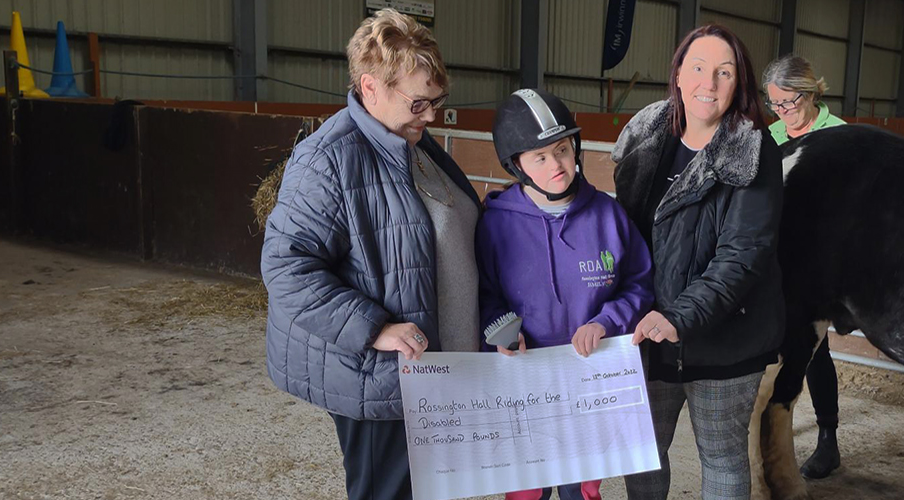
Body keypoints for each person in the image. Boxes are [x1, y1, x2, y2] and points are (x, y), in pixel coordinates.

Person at [260, 9, 480, 500]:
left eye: (437, 100)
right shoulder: (328, 159)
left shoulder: (410, 143)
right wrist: (374, 328)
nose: (432, 115)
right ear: (370, 86)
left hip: (436, 374)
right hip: (381, 383)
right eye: (419, 102)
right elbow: (285, 267)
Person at [613, 24, 786, 500]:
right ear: (678, 74)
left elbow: (744, 255)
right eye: (698, 68)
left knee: (723, 458)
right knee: (645, 454)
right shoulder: (646, 139)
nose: (707, 84)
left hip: (727, 340)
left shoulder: (753, 150)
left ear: (739, 83)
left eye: (723, 72)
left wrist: (679, 316)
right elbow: (621, 236)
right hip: (649, 336)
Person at [476, 88, 656, 500]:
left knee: (582, 490)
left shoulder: (609, 216)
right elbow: (485, 295)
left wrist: (605, 321)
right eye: (539, 157)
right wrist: (500, 332)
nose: (557, 164)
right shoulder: (495, 226)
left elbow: (638, 283)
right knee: (525, 491)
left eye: (562, 149)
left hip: (587, 384)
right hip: (525, 382)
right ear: (516, 165)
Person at [762, 53, 849, 480]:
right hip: (781, 254)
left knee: (816, 351)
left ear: (812, 92)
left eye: (790, 102)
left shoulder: (840, 136)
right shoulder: (771, 135)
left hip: (823, 259)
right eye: (774, 104)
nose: (782, 112)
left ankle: (828, 438)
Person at [764, 54, 848, 146]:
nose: (781, 110)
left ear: (810, 94)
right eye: (774, 103)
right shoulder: (770, 134)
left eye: (787, 102)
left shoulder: (841, 133)